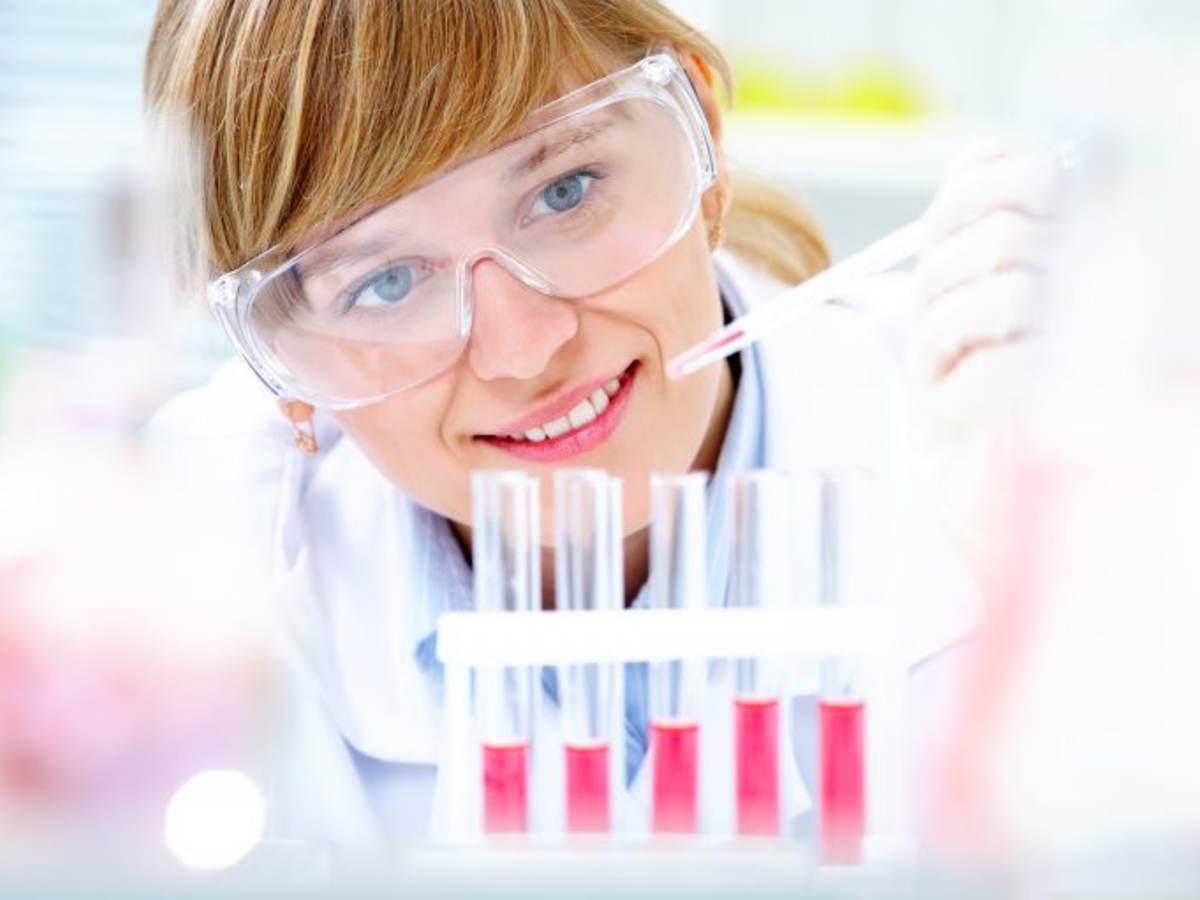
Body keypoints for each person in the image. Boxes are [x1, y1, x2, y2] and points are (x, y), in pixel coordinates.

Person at [142, 0, 1050, 849]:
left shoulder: (998, 433)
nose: (523, 348)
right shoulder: (185, 569)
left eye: (566, 191)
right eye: (386, 283)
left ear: (704, 140)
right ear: (277, 368)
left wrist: (1058, 588)